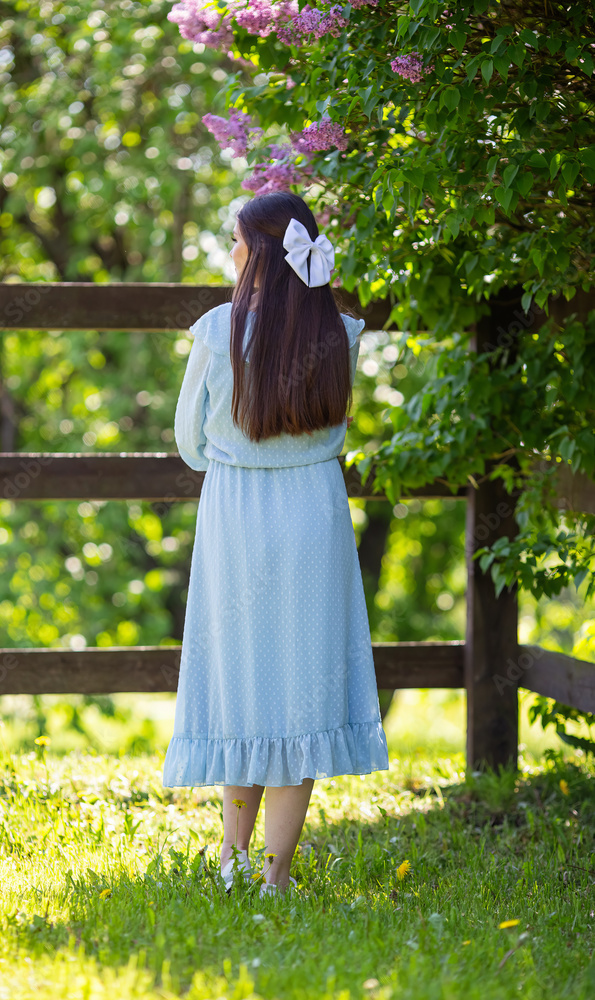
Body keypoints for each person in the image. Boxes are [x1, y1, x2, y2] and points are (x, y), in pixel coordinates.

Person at [162, 190, 389, 896]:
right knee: (304, 694)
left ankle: (231, 863)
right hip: (313, 520)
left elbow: (187, 445)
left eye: (234, 241)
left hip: (235, 519)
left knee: (240, 687)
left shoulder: (212, 331)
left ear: (255, 252)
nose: (230, 254)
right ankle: (275, 874)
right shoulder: (342, 333)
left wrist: (233, 460)